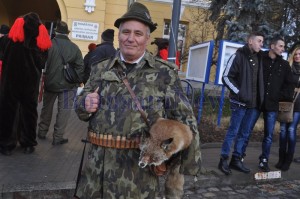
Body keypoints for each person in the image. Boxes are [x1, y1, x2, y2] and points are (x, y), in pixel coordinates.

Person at [74, 2, 201, 198]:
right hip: (96, 173)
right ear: (119, 35)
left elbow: (187, 120)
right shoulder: (100, 68)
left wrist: (185, 167)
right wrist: (84, 103)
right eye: (126, 32)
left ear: (147, 38)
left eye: (138, 34)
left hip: (137, 176)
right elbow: (81, 107)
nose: (130, 39)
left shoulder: (164, 73)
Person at [0, 12, 51, 155]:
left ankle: (6, 143)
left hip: (11, 81)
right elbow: (42, 63)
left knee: (8, 111)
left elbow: (2, 54)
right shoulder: (40, 44)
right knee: (29, 112)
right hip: (31, 83)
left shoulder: (10, 40)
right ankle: (28, 142)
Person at [240, 36, 293, 172]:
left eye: (283, 46)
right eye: (280, 46)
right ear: (272, 46)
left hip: (272, 106)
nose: (283, 49)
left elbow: (289, 86)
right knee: (246, 131)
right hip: (256, 103)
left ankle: (264, 160)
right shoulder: (260, 57)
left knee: (268, 136)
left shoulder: (285, 65)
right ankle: (240, 156)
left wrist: (278, 97)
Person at [218, 32, 265, 175]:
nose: (261, 44)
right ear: (250, 41)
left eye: (262, 41)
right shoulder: (238, 56)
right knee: (233, 132)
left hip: (253, 105)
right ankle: (223, 159)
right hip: (239, 103)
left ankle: (236, 160)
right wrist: (239, 93)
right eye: (259, 41)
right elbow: (226, 77)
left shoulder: (259, 58)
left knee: (244, 134)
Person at [37, 21, 84, 145]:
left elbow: (41, 62)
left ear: (56, 31)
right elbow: (80, 66)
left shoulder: (49, 44)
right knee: (64, 111)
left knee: (46, 108)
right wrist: (78, 81)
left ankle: (42, 131)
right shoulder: (74, 47)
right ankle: (58, 137)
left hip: (50, 82)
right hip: (68, 85)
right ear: (67, 33)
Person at [278, 46, 300, 167]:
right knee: (282, 131)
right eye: (295, 54)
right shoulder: (288, 67)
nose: (297, 56)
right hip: (286, 102)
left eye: (299, 54)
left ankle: (288, 160)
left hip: (298, 105)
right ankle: (281, 158)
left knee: (291, 130)